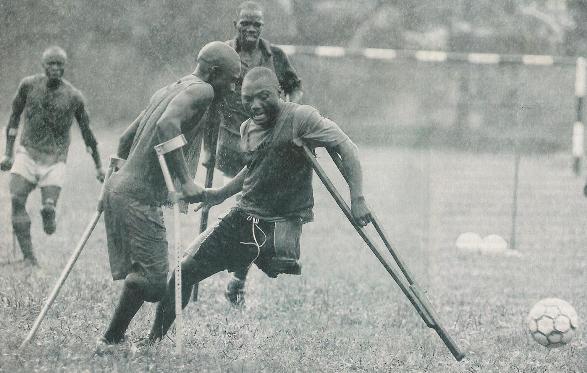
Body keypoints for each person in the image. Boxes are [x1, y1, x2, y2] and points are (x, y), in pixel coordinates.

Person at [146, 67, 371, 343]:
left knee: (189, 270)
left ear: (278, 92)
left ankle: (256, 262)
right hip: (245, 219)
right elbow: (253, 170)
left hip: (273, 226)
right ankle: (153, 339)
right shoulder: (246, 128)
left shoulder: (300, 118)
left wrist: (357, 198)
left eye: (263, 96)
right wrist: (218, 194)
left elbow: (345, 147)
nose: (254, 105)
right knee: (185, 271)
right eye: (247, 99)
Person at [95, 41, 240, 350]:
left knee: (150, 276)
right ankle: (110, 339)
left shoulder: (168, 89)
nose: (232, 86)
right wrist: (186, 181)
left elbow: (125, 138)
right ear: (214, 72)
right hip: (138, 197)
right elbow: (166, 124)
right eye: (231, 78)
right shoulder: (204, 91)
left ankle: (114, 338)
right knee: (155, 282)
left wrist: (108, 186)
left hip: (121, 188)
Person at [215, 0, 304, 305]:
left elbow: (295, 86)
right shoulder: (223, 55)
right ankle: (244, 270)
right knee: (250, 210)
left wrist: (290, 112)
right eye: (245, 24)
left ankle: (241, 274)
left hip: (267, 142)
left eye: (256, 25)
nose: (251, 29)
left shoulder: (274, 55)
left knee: (254, 211)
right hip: (231, 142)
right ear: (235, 25)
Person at [0, 46, 104, 266]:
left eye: (60, 65)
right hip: (27, 152)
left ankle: (50, 213)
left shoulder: (73, 96)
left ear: (65, 67)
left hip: (55, 159)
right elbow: (13, 118)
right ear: (43, 65)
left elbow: (87, 133)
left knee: (48, 206)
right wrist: (8, 154)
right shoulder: (28, 86)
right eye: (51, 64)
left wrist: (99, 166)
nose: (55, 68)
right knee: (17, 199)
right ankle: (29, 257)